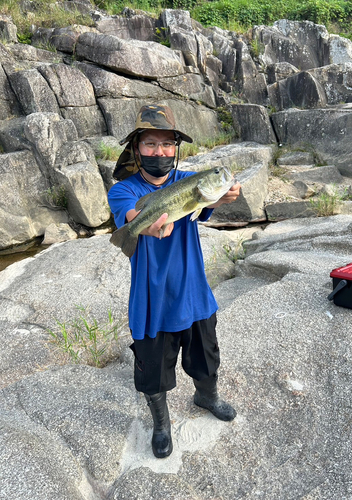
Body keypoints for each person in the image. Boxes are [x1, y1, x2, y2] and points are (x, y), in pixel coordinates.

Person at [108, 104, 241, 459]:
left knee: (207, 355)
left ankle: (206, 396)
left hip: (194, 292)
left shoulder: (189, 181)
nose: (160, 152)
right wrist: (147, 226)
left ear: (176, 148)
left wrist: (224, 194)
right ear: (136, 148)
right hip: (152, 299)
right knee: (153, 371)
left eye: (168, 145)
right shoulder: (123, 190)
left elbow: (206, 202)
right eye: (151, 144)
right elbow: (133, 215)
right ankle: (162, 425)